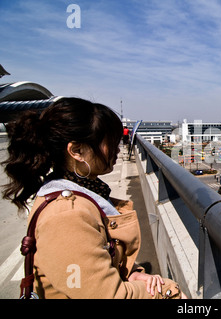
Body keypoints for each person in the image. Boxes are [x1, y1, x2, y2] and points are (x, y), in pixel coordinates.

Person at [2, 97, 187, 299]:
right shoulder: (67, 216)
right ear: (77, 151)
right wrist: (170, 291)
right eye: (110, 142)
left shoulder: (79, 192)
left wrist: (132, 274)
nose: (118, 148)